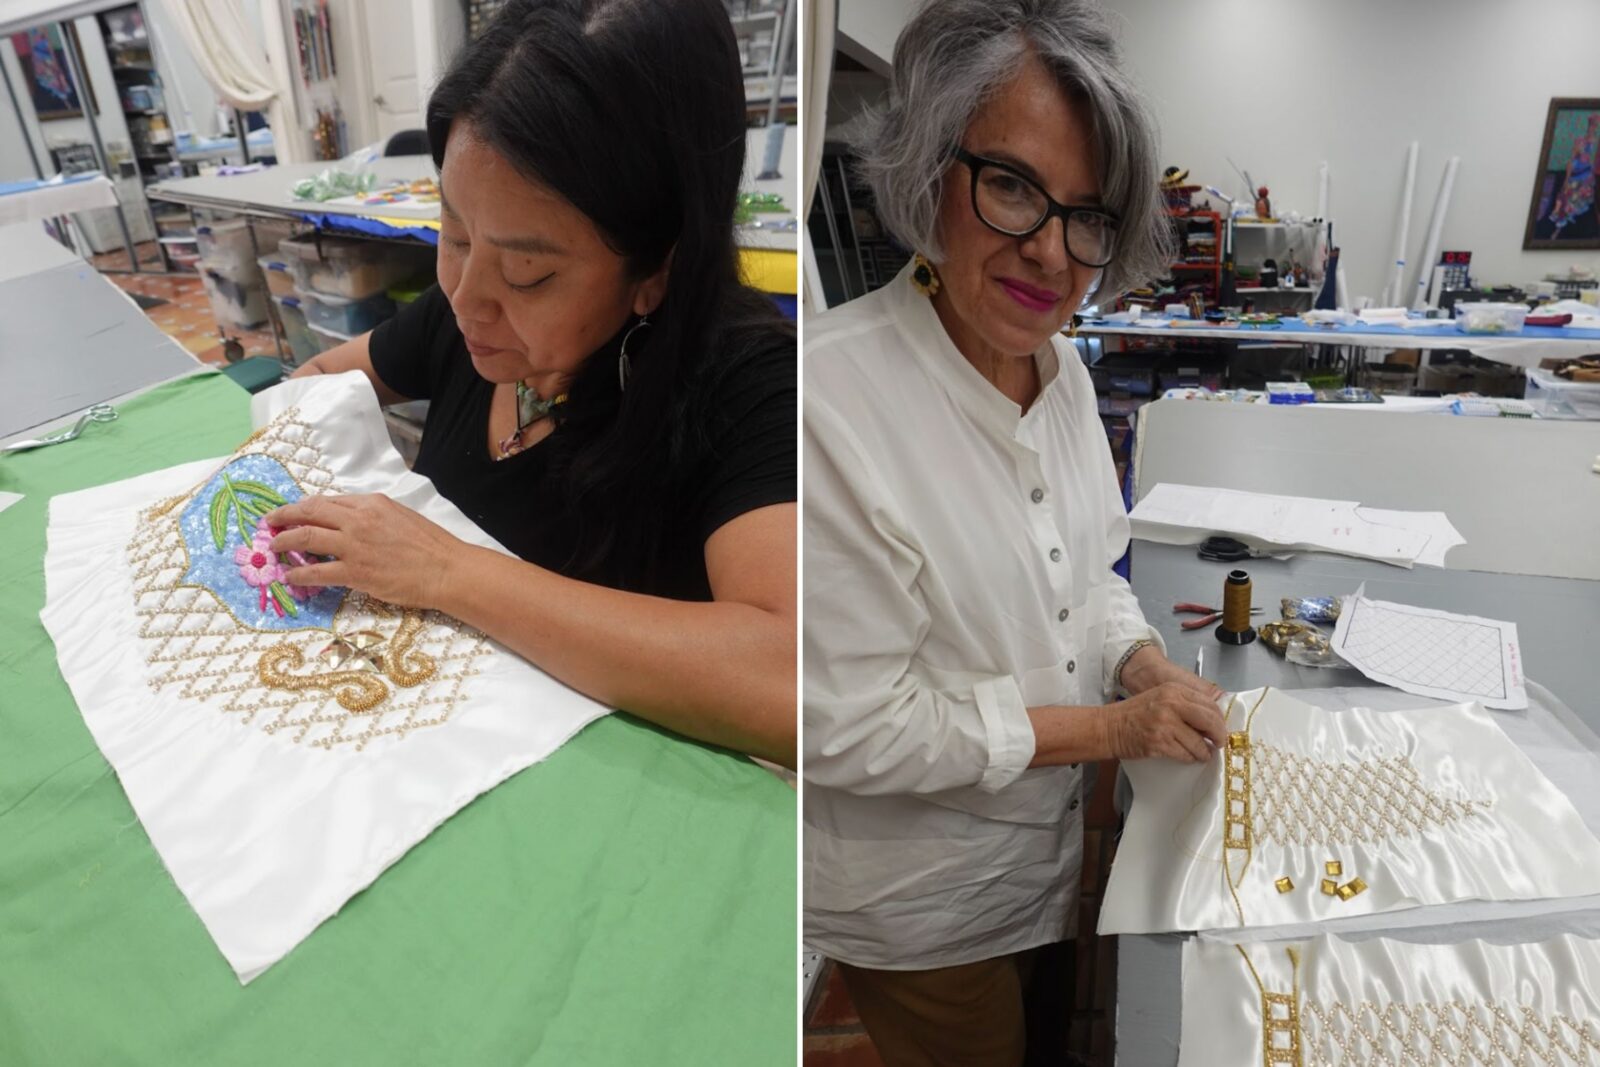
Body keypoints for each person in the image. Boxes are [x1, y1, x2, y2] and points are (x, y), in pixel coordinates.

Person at [803, 0, 1225, 1062]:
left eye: (1087, 215)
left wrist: (1133, 662)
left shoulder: (1066, 372)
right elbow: (851, 727)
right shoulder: (827, 403)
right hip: (917, 899)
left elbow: (1092, 572)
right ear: (926, 168)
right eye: (1010, 186)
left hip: (1032, 855)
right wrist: (1113, 734)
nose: (1050, 249)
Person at [271, 0, 796, 768]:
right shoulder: (462, 316)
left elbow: (784, 678)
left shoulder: (750, 383)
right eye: (453, 232)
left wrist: (446, 570)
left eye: (528, 272)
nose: (465, 293)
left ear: (657, 270)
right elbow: (315, 381)